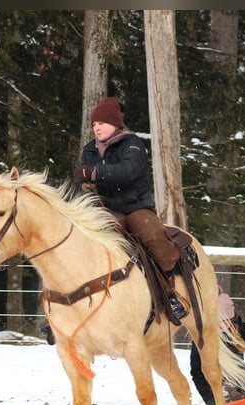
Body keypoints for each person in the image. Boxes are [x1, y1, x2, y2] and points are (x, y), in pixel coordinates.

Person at [74, 96, 186, 322]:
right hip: (104, 206)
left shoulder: (133, 144)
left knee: (155, 239)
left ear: (115, 124)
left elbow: (127, 172)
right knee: (79, 242)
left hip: (135, 206)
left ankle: (169, 293)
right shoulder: (90, 149)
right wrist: (83, 192)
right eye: (94, 125)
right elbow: (81, 178)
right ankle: (74, 303)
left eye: (102, 123)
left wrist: (94, 174)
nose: (97, 128)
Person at [190, 291, 245, 405]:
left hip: (240, 372)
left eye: (227, 321)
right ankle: (229, 397)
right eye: (220, 321)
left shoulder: (243, 330)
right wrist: (210, 400)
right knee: (232, 399)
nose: (224, 325)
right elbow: (197, 372)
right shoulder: (202, 337)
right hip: (216, 377)